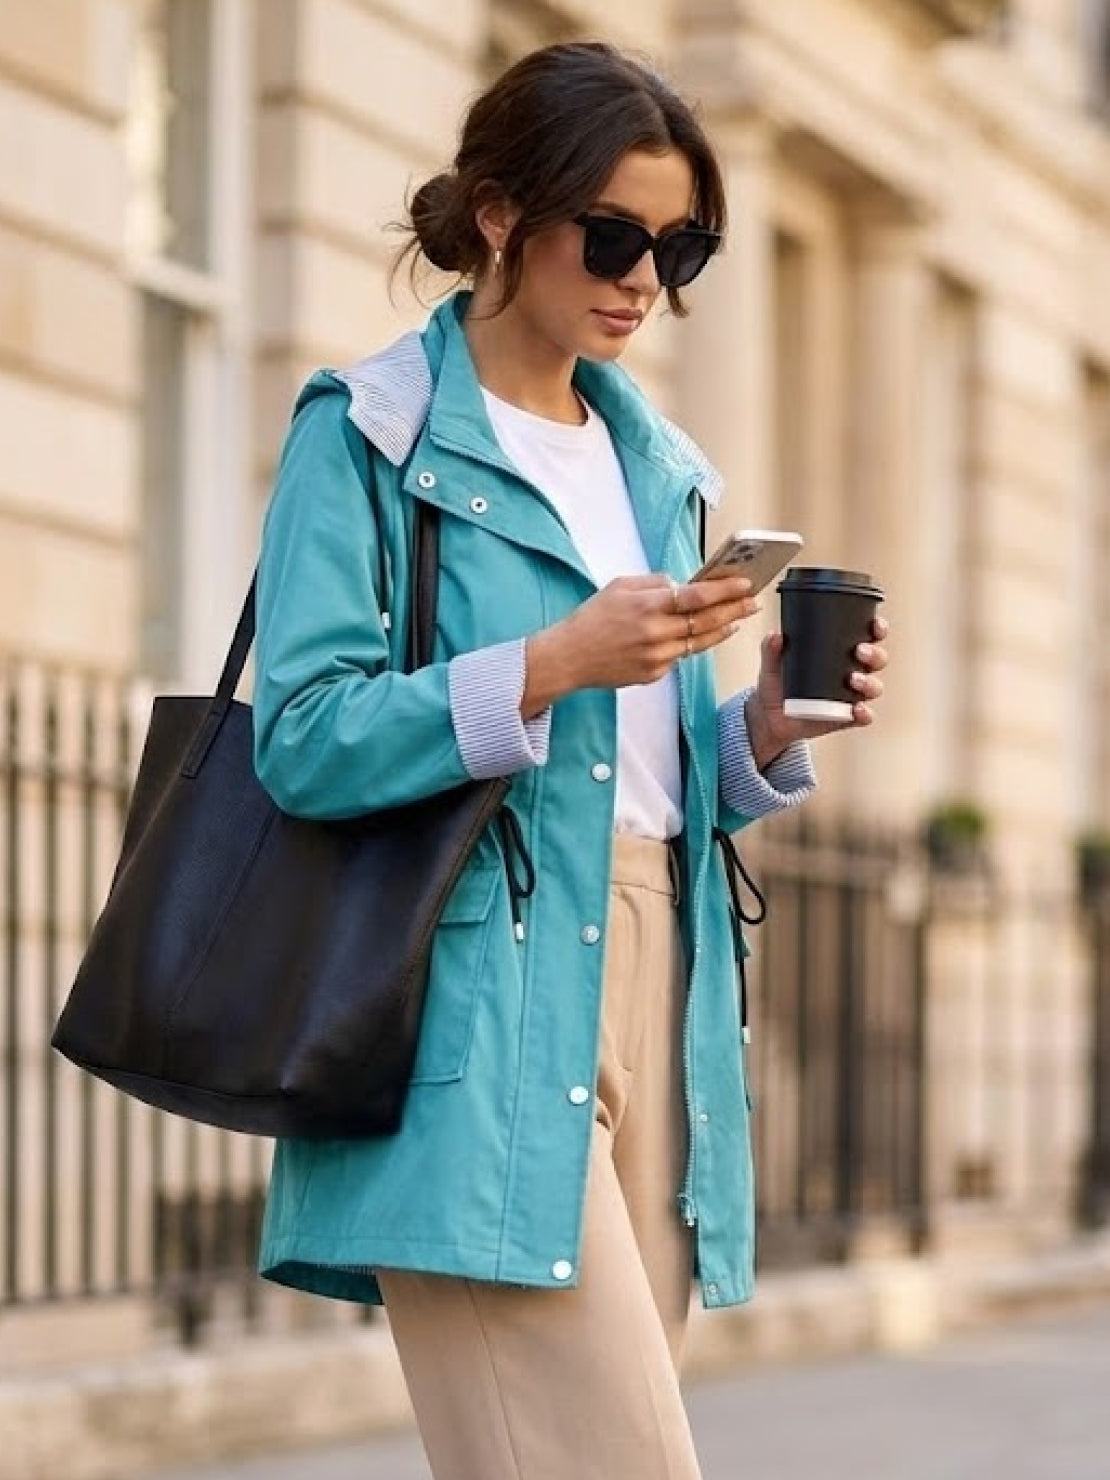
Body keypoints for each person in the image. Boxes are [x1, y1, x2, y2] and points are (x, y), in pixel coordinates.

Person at [251, 38, 890, 1480]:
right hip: (469, 997)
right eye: (610, 236)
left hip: (658, 977)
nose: (642, 280)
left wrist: (765, 729)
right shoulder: (368, 432)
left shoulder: (657, 467)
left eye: (678, 247)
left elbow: (639, 778)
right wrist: (552, 661)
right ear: (498, 215)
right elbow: (300, 740)